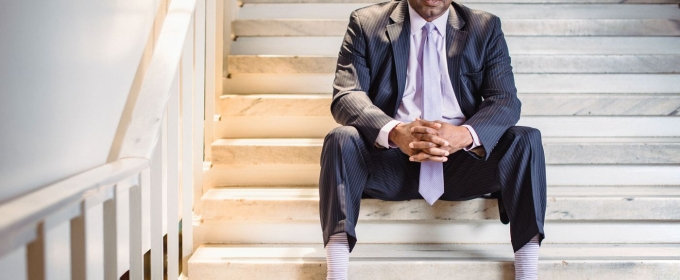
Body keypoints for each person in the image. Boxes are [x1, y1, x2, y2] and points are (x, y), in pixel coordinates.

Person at [319, 0, 547, 279]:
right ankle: (337, 272)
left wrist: (464, 135)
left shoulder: (484, 27)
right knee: (341, 139)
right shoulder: (366, 23)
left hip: (462, 165)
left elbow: (505, 100)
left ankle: (527, 273)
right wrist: (394, 132)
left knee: (526, 139)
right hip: (391, 164)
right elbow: (347, 96)